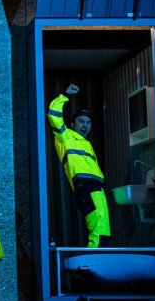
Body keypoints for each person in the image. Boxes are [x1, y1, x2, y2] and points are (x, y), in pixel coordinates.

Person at [47, 83, 111, 247]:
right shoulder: (66, 136)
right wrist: (66, 94)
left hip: (95, 188)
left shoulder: (86, 144)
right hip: (87, 187)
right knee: (100, 228)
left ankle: (96, 256)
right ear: (73, 124)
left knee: (101, 228)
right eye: (81, 121)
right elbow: (53, 113)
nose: (85, 125)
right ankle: (94, 258)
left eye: (88, 122)